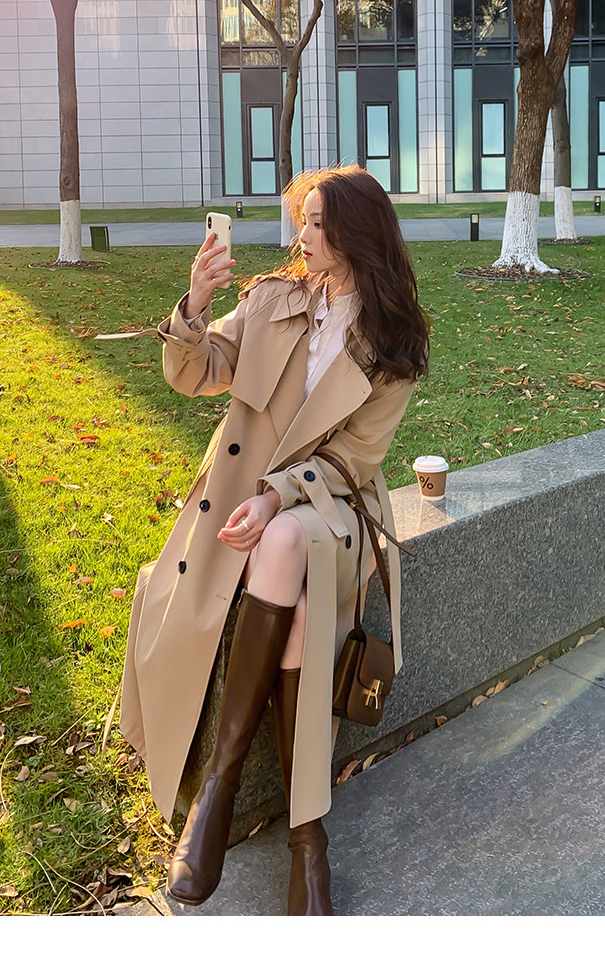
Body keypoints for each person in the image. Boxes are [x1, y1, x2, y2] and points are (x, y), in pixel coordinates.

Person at [119, 164, 430, 915]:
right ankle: (302, 836)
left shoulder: (393, 341)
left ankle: (224, 790)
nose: (304, 234)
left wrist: (274, 497)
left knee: (287, 538)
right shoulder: (270, 300)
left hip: (334, 507)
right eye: (304, 218)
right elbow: (198, 372)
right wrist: (195, 306)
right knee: (289, 576)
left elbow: (354, 460)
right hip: (248, 503)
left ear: (358, 234)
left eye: (320, 222)